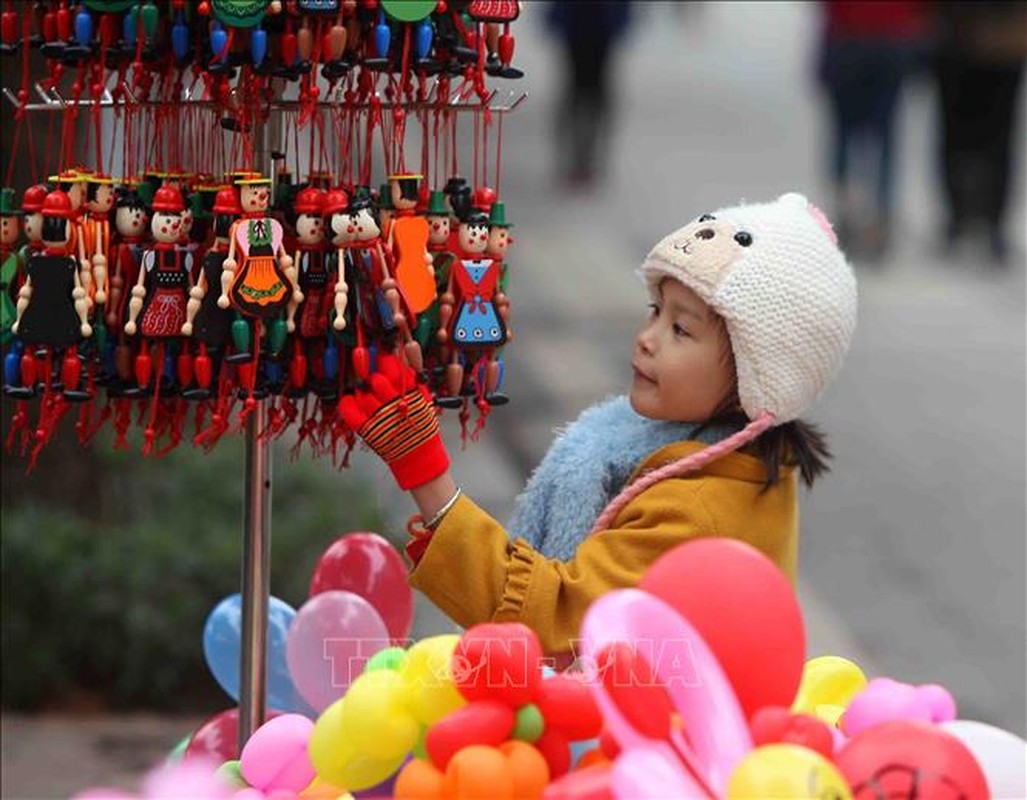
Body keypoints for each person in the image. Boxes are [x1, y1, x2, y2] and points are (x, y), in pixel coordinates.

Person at [340, 193, 857, 657]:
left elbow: (553, 620)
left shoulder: (695, 509)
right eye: (655, 310)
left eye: (680, 328)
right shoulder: (722, 454)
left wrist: (429, 480)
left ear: (757, 375)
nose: (647, 338)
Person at [815, 0, 929, 262]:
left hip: (849, 36)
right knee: (884, 136)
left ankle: (847, 209)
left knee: (844, 132)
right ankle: (880, 213)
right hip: (891, 38)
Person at [932, 2, 1026, 264]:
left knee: (979, 138)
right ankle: (969, 217)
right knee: (975, 138)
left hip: (985, 43)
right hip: (971, 42)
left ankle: (980, 218)